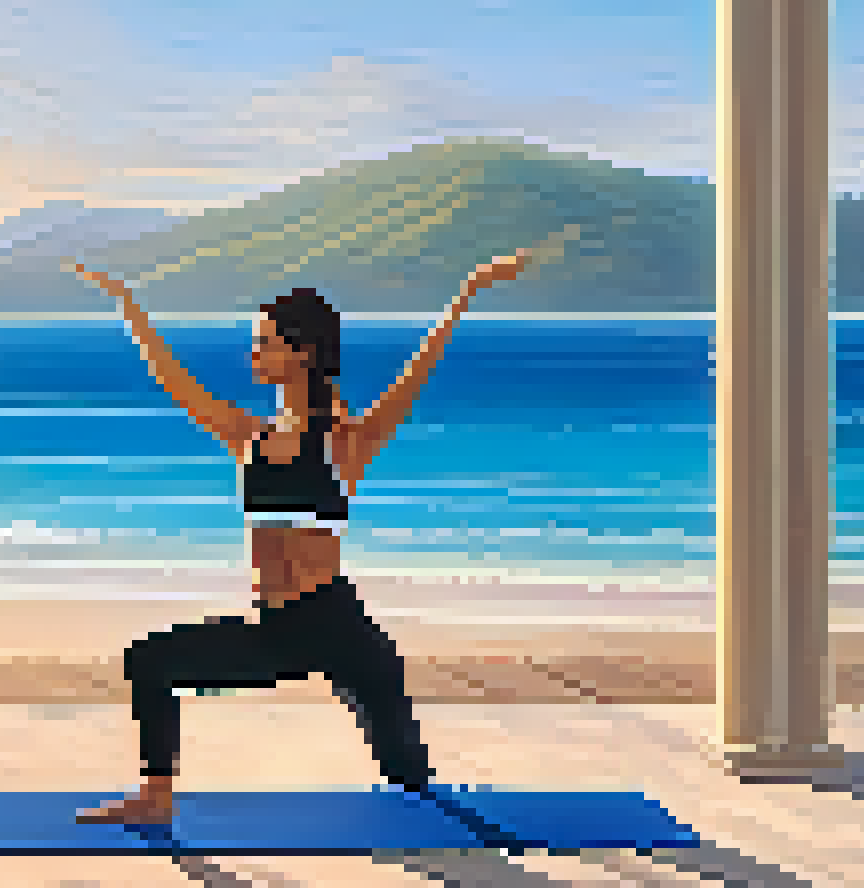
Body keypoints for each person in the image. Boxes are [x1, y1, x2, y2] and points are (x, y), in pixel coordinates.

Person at [63, 248, 534, 825]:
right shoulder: (248, 437)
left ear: (302, 352)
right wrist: (128, 306)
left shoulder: (345, 441)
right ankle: (156, 799)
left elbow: (419, 368)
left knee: (413, 786)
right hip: (273, 628)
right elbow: (172, 378)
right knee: (149, 661)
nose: (253, 352)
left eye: (265, 342)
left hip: (336, 624)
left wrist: (469, 289)